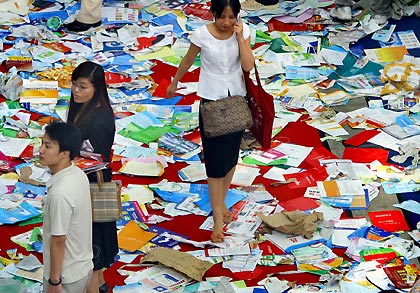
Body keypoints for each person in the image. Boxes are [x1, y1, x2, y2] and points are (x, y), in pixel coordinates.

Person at [166, 0, 255, 243]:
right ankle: (217, 219)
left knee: (230, 159)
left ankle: (221, 205)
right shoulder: (201, 35)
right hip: (212, 104)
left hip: (236, 101)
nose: (226, 22)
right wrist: (175, 82)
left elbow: (248, 65)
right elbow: (187, 60)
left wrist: (240, 38)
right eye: (221, 17)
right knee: (215, 165)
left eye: (231, 17)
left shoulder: (243, 31)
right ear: (213, 14)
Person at [67, 61, 117, 293]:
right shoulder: (81, 108)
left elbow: (98, 160)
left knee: (92, 243)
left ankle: (97, 286)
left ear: (97, 88)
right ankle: (101, 284)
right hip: (83, 182)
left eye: (83, 86)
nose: (76, 90)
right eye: (75, 85)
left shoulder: (99, 119)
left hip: (92, 186)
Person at [40, 121, 93, 293]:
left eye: (47, 146)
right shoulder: (77, 173)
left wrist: (55, 281)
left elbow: (58, 240)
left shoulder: (60, 194)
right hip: (83, 265)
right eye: (41, 143)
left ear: (64, 153)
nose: (40, 150)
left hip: (66, 277)